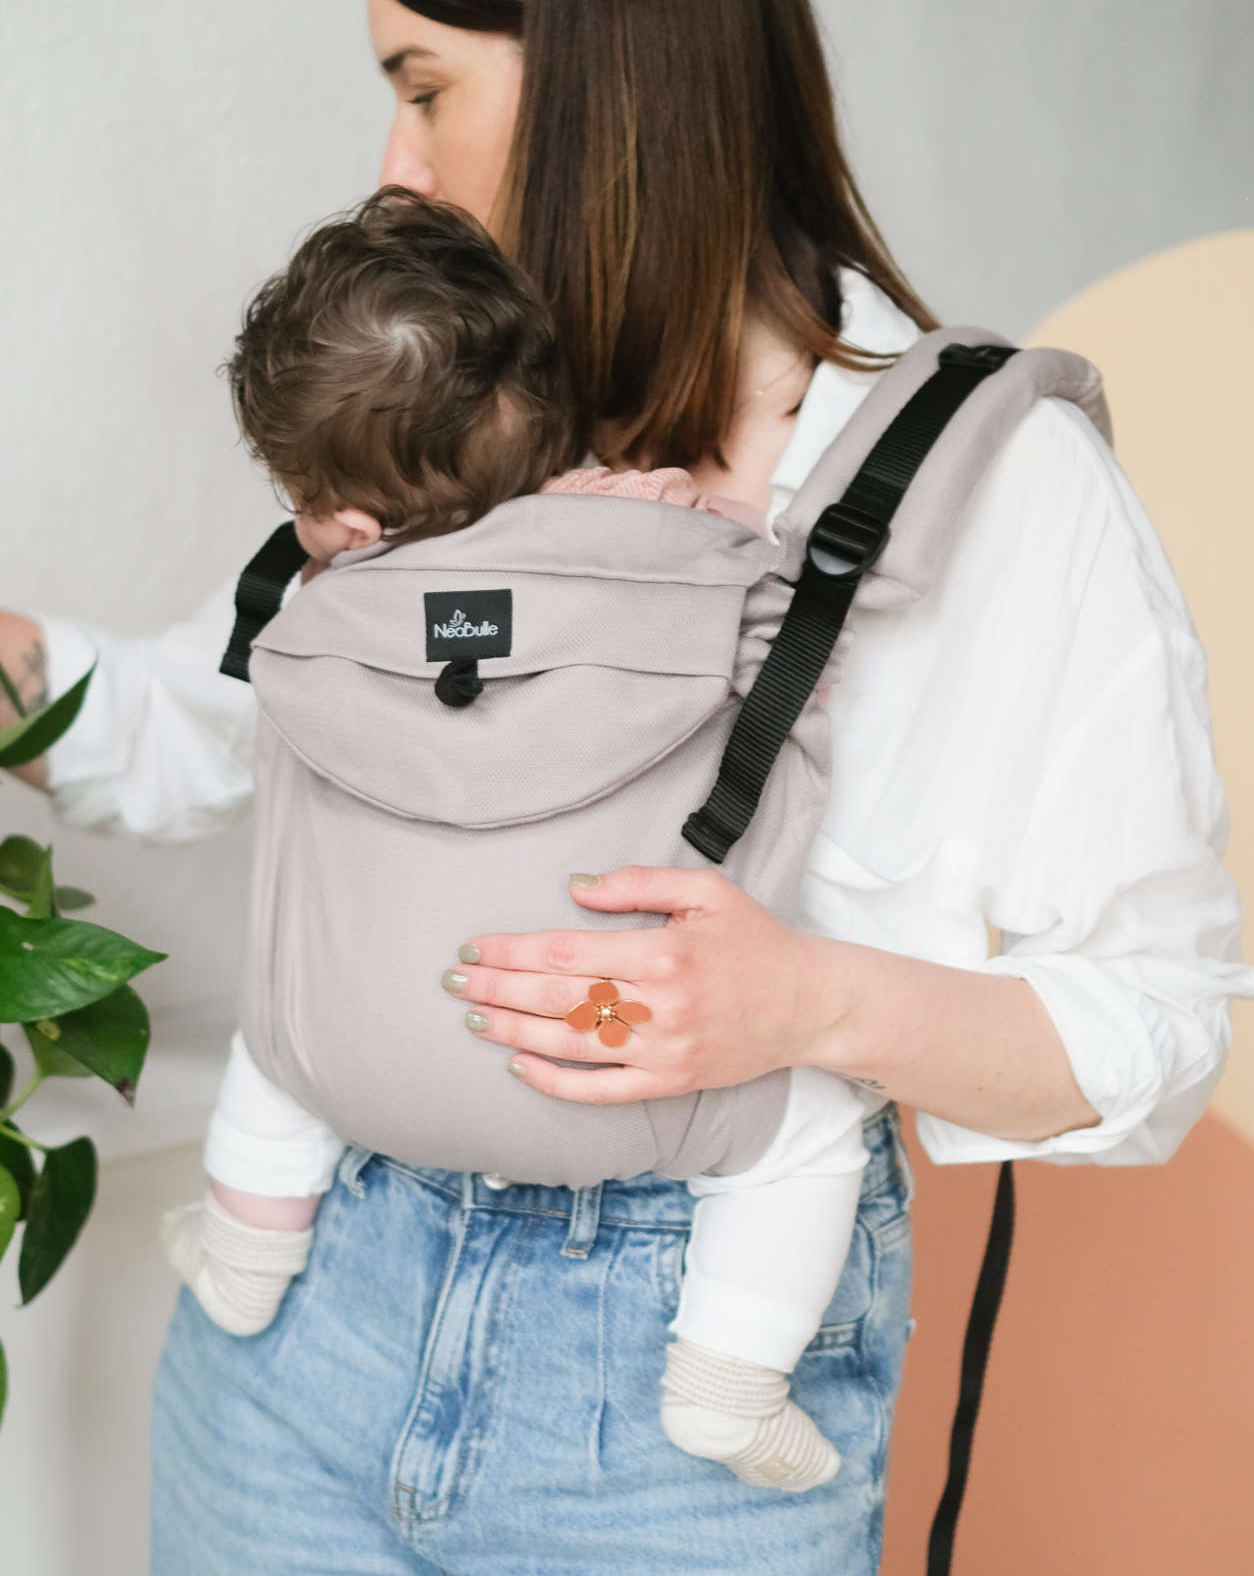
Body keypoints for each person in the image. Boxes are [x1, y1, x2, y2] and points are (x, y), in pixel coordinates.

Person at [0, 0, 1254, 1576]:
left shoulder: (994, 487)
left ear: (615, 71)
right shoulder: (449, 436)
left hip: (685, 1403)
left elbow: (1156, 1021)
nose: (391, 163)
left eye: (423, 86)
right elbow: (191, 718)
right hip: (307, 1322)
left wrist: (794, 1004)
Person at [164, 184, 875, 1498]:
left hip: (360, 1066)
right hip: (629, 1061)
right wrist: (667, 534)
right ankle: (727, 1378)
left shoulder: (312, 610)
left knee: (278, 1025)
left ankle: (249, 1253)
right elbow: (800, 667)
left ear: (350, 526)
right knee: (813, 1122)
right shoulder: (673, 555)